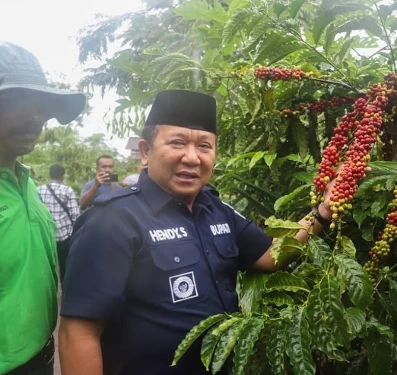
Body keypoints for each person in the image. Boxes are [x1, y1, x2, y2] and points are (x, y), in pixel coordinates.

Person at [58, 90, 334, 375]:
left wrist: (322, 212)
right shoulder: (112, 219)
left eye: (204, 146)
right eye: (177, 142)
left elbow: (270, 255)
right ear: (145, 151)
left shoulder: (216, 209)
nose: (191, 158)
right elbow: (78, 333)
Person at [0, 41, 86, 374]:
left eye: (41, 104)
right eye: (17, 101)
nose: (36, 116)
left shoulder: (26, 183)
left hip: (41, 354)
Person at [38, 164, 80, 283]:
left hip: (45, 234)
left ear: (49, 175)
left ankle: (49, 286)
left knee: (47, 263)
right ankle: (64, 286)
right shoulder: (67, 190)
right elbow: (75, 214)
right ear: (62, 176)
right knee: (64, 263)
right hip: (64, 235)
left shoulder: (39, 190)